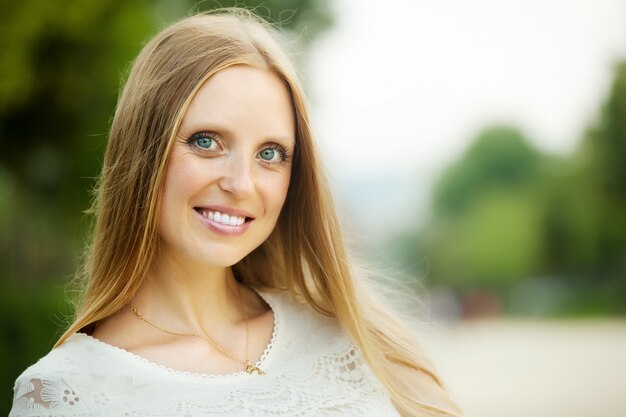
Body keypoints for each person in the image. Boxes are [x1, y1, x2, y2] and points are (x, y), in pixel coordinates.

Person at [9, 8, 463, 417]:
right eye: (207, 141)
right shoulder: (64, 393)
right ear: (142, 152)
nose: (242, 184)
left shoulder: (347, 334)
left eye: (270, 153)